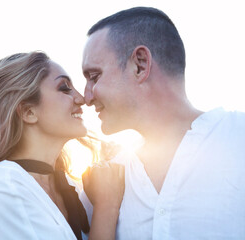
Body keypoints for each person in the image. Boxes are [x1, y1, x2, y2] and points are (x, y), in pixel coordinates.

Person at [81, 7, 245, 239]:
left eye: (94, 76)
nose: (86, 97)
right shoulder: (100, 187)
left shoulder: (239, 138)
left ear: (140, 64)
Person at [0, 51, 124, 240]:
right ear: (28, 112)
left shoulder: (69, 187)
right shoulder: (0, 188)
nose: (81, 99)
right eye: (64, 88)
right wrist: (107, 207)